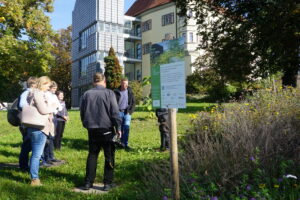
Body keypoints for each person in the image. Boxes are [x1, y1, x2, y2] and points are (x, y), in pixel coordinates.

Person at [80, 73, 122, 191]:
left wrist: (86, 124)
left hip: (92, 129)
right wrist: (118, 127)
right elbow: (114, 112)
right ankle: (107, 183)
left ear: (94, 82)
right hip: (106, 129)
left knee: (92, 155)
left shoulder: (86, 94)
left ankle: (88, 182)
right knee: (109, 155)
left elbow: (82, 112)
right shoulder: (109, 93)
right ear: (104, 82)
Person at [26, 76, 57, 186]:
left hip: (33, 127)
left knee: (35, 154)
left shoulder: (33, 93)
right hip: (39, 128)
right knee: (36, 155)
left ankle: (33, 176)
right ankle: (34, 179)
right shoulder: (38, 94)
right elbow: (43, 110)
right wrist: (53, 107)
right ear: (43, 84)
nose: (49, 88)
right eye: (48, 85)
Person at [18, 77, 38, 171]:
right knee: (26, 145)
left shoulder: (29, 92)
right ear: (33, 84)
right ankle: (23, 166)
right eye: (37, 84)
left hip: (29, 122)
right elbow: (22, 105)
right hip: (27, 123)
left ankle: (25, 165)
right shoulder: (26, 93)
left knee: (29, 145)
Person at [41, 81, 61, 166]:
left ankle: (51, 156)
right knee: (47, 138)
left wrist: (54, 109)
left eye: (56, 89)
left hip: (53, 116)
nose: (55, 90)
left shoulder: (54, 96)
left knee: (52, 137)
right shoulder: (46, 94)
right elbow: (48, 106)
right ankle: (46, 157)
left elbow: (59, 107)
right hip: (47, 117)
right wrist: (53, 107)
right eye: (53, 88)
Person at [114, 78, 135, 150]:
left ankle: (125, 144)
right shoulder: (116, 91)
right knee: (118, 129)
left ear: (128, 84)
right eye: (123, 83)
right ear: (121, 83)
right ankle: (118, 143)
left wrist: (130, 111)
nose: (125, 85)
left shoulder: (130, 91)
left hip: (127, 113)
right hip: (118, 112)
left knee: (126, 128)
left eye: (126, 83)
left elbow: (133, 102)